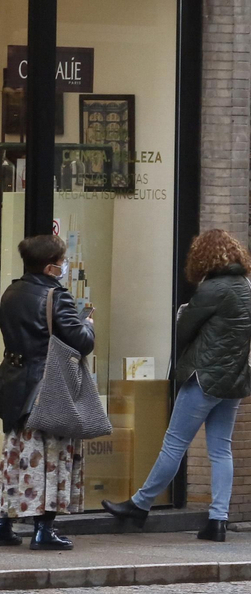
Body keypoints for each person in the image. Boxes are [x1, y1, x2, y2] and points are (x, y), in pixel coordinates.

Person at [104, 229, 251, 542]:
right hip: (234, 380)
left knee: (174, 444)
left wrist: (183, 314)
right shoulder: (246, 287)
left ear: (203, 257)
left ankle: (139, 506)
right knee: (221, 449)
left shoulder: (212, 288)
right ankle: (218, 520)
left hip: (204, 378)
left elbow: (183, 330)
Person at [0, 233, 95, 551]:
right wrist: (88, 323)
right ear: (50, 267)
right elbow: (81, 340)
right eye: (61, 263)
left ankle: (0, 525)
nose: (62, 268)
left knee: (15, 455)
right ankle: (43, 530)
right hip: (45, 386)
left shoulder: (11, 292)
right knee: (48, 457)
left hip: (14, 385)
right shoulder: (55, 295)